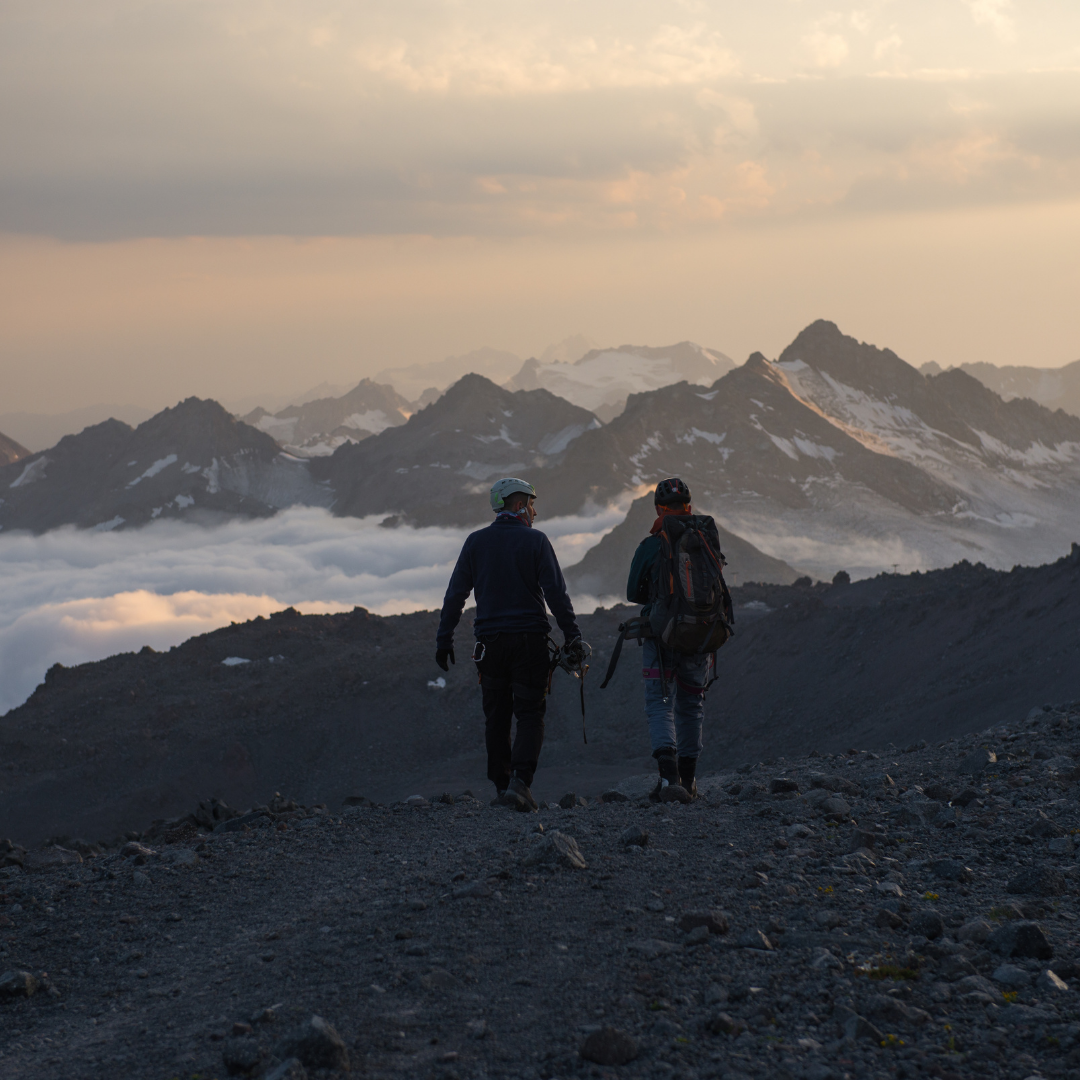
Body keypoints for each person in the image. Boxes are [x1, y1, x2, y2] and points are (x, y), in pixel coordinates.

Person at [436, 477, 583, 811]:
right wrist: (572, 635)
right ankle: (520, 782)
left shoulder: (475, 542)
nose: (535, 511)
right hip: (529, 643)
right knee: (530, 713)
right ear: (518, 505)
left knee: (497, 716)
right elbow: (557, 595)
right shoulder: (536, 541)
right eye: (531, 504)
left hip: (489, 647)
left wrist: (444, 639)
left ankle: (502, 787)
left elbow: (455, 594)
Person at [625, 477, 718, 803]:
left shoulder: (652, 544)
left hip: (660, 638)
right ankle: (690, 783)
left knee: (660, 703)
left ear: (658, 509)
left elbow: (632, 592)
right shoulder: (706, 539)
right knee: (691, 706)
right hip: (699, 635)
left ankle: (668, 781)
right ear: (689, 508)